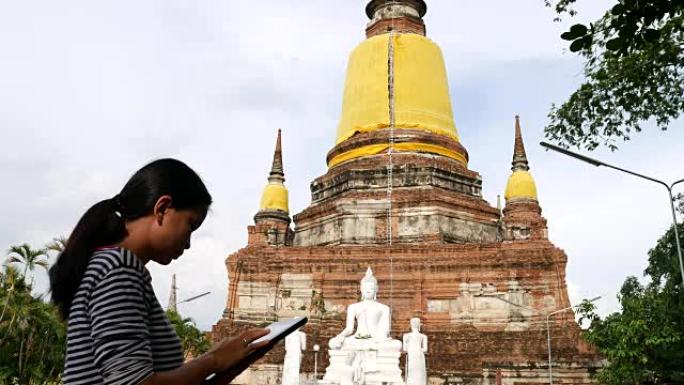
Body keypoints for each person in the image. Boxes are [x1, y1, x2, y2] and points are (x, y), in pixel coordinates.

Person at [49, 158, 273, 385]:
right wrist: (213, 360)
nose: (188, 243)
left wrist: (226, 366)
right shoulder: (118, 269)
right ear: (162, 208)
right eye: (190, 225)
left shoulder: (110, 265)